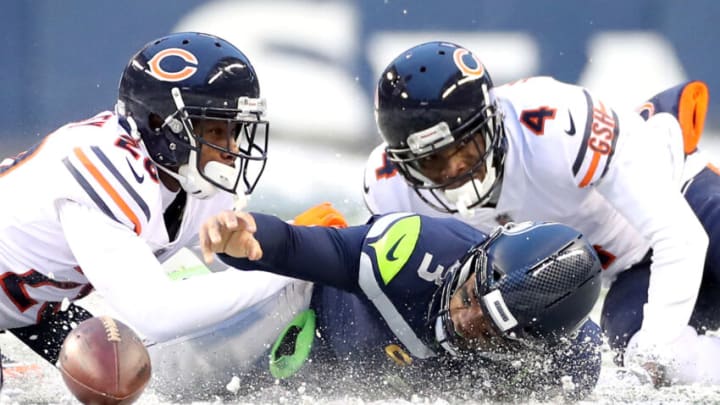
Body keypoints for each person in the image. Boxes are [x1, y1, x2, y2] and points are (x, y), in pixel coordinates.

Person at [361, 40, 720, 386]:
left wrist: (656, 346)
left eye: (465, 148)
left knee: (654, 348)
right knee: (655, 362)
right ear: (404, 163)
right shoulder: (390, 189)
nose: (456, 170)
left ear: (491, 123)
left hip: (686, 199)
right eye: (431, 160)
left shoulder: (555, 125)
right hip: (627, 272)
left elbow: (681, 237)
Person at [0, 31, 293, 386]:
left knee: (124, 374)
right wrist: (293, 267)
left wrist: (297, 241)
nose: (230, 150)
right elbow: (159, 312)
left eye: (235, 130)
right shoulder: (105, 168)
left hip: (32, 306)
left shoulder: (193, 181)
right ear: (159, 124)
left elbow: (227, 260)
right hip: (26, 302)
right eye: (215, 131)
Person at [193, 208, 604, 401]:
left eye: (489, 331)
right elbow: (295, 245)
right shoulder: (414, 251)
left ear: (532, 350)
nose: (464, 319)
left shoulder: (566, 366)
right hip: (304, 324)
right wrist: (243, 238)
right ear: (481, 256)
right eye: (471, 296)